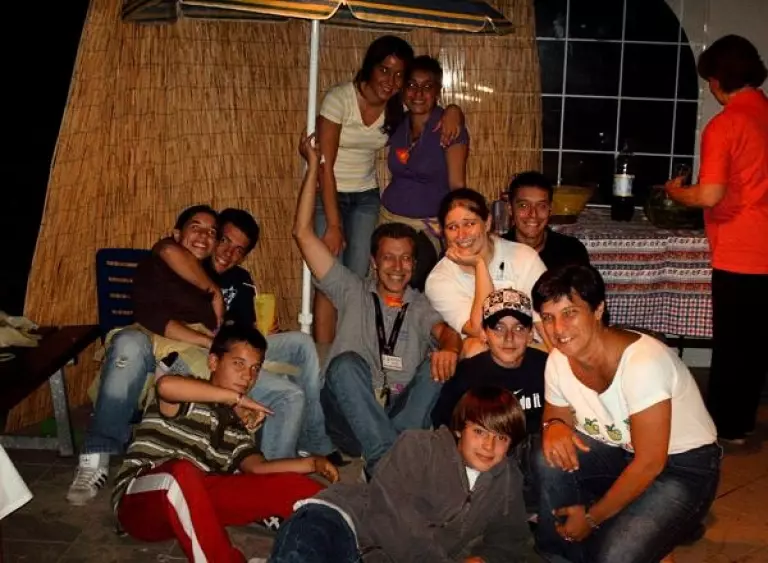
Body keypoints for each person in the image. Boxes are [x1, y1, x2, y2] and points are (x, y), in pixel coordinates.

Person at [295, 132, 463, 477]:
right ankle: (389, 457)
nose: (397, 267)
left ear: (414, 264)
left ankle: (385, 456)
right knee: (344, 365)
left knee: (439, 363)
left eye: (405, 259)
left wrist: (449, 347)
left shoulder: (419, 305)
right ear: (374, 262)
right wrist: (313, 167)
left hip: (399, 413)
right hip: (348, 420)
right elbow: (302, 234)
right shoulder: (351, 290)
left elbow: (446, 333)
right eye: (388, 258)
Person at [531, 264, 721, 563]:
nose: (558, 329)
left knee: (614, 556)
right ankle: (560, 553)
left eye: (570, 313)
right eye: (548, 317)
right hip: (620, 454)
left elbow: (649, 463)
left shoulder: (643, 364)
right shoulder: (558, 359)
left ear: (598, 310)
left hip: (682, 469)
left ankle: (667, 525)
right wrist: (552, 425)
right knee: (548, 455)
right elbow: (556, 418)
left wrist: (592, 518)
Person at [112, 324, 339, 563]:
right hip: (141, 503)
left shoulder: (235, 427)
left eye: (255, 369)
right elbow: (165, 386)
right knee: (182, 473)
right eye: (238, 364)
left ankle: (348, 535)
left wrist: (311, 463)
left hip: (196, 505)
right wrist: (236, 399)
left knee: (293, 486)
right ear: (213, 362)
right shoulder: (188, 391)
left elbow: (258, 468)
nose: (247, 376)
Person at [268, 386, 543, 563]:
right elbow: (393, 518)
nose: (489, 446)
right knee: (302, 550)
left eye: (501, 437)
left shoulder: (506, 479)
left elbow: (512, 540)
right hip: (345, 522)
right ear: (460, 428)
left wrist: (484, 558)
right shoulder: (418, 446)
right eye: (479, 432)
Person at [152, 207, 342, 463]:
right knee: (290, 392)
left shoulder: (241, 279)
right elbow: (165, 252)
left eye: (239, 250)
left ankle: (314, 437)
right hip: (204, 351)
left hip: (235, 346)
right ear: (214, 237)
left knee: (301, 342)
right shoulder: (191, 267)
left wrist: (262, 330)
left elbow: (245, 329)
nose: (228, 253)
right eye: (224, 240)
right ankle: (274, 469)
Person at [313, 36, 463, 347]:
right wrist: (334, 223)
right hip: (350, 202)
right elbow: (325, 165)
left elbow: (456, 184)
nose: (392, 81)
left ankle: (360, 348)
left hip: (380, 204)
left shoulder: (415, 117)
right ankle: (326, 355)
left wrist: (454, 110)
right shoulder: (362, 106)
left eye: (399, 75)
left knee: (362, 279)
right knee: (331, 278)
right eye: (385, 70)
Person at [67, 205, 220, 505]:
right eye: (196, 227)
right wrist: (207, 336)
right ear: (177, 234)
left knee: (203, 371)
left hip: (186, 352)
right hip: (149, 339)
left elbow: (218, 326)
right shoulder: (156, 263)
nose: (204, 236)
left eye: (212, 232)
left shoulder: (211, 277)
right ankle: (95, 456)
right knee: (128, 344)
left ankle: (177, 463)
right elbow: (152, 315)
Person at [665, 34, 768, 445]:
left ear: (718, 79)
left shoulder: (726, 125)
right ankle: (743, 421)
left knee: (732, 344)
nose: (709, 86)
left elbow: (709, 194)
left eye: (709, 79)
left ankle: (726, 427)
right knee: (755, 344)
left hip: (741, 249)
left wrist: (676, 194)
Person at [431, 288, 547, 511]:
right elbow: (443, 424)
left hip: (532, 461)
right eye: (498, 328)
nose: (509, 338)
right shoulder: (467, 374)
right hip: (485, 459)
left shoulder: (547, 367)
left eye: (519, 328)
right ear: (484, 334)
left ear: (531, 334)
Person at [380, 55, 469, 290]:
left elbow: (457, 186)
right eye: (411, 85)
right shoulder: (398, 122)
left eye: (427, 86)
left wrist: (453, 229)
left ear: (437, 91)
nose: (418, 93)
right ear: (402, 89)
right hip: (388, 220)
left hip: (426, 227)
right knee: (381, 284)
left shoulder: (449, 127)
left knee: (415, 279)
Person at [425, 188, 550, 355]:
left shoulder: (524, 257)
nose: (462, 235)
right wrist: (479, 265)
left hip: (532, 347)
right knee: (476, 348)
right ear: (443, 232)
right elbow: (480, 328)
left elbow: (545, 320)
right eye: (453, 227)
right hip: (484, 353)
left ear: (487, 223)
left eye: (470, 224)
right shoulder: (439, 280)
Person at [503, 171, 590, 271]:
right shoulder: (498, 251)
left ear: (550, 209)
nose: (533, 214)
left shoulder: (571, 251)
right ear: (510, 208)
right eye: (524, 205)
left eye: (541, 206)